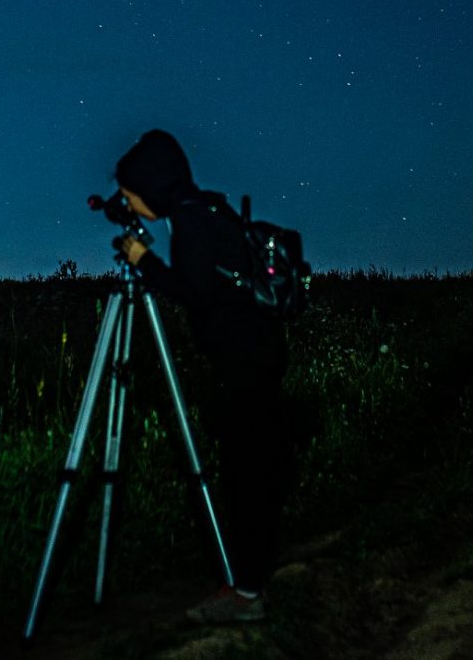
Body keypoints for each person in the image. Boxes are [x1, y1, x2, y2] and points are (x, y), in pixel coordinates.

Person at [113, 129, 295, 625]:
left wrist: (143, 261)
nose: (130, 205)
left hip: (244, 364)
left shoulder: (191, 221)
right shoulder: (208, 208)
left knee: (244, 477)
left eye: (131, 195)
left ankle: (246, 593)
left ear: (152, 186)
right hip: (259, 355)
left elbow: (193, 291)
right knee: (253, 471)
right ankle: (249, 578)